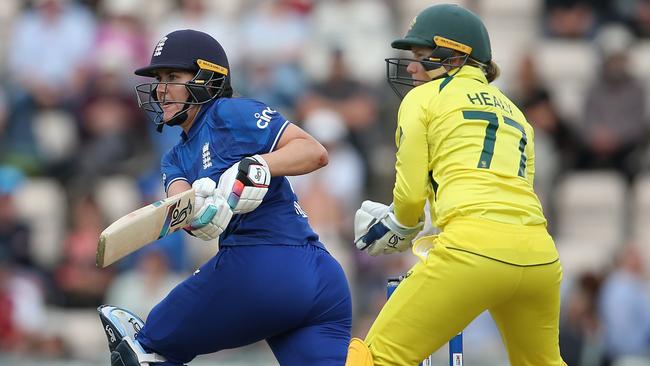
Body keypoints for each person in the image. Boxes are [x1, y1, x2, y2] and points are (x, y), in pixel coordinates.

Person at [97, 29, 352, 366]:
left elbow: (314, 151)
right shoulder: (173, 159)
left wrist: (259, 165)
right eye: (159, 78)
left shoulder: (228, 114)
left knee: (143, 351)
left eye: (173, 76)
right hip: (321, 281)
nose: (161, 88)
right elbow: (181, 209)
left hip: (263, 267)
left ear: (207, 78)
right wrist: (200, 215)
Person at [346, 4, 566, 366]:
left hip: (472, 252)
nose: (412, 66)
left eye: (421, 55)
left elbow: (412, 194)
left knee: (374, 358)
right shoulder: (517, 114)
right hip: (540, 259)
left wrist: (400, 224)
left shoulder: (424, 98)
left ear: (454, 55)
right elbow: (518, 189)